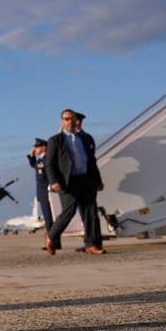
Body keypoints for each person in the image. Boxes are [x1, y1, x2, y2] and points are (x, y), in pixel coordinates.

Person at [44, 109, 105, 255]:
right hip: (67, 182)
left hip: (86, 179)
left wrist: (98, 180)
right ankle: (51, 236)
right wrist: (54, 181)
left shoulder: (86, 138)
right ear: (62, 121)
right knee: (68, 212)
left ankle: (92, 245)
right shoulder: (55, 141)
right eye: (66, 119)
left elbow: (91, 161)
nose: (69, 121)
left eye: (71, 118)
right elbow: (49, 164)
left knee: (90, 212)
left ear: (76, 120)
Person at [27, 137, 54, 241]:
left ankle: (52, 242)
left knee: (49, 218)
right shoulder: (41, 160)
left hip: (47, 193)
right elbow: (35, 166)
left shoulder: (47, 159)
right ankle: (52, 242)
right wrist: (31, 156)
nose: (35, 149)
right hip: (42, 194)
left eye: (37, 147)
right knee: (48, 219)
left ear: (43, 147)